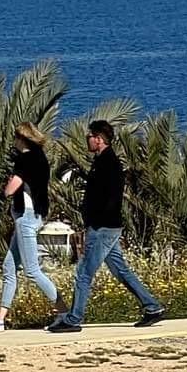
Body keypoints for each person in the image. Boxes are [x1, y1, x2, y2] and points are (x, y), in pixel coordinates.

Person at [48, 120, 165, 333]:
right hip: (104, 225)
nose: (87, 140)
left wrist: (96, 220)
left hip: (103, 227)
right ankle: (152, 307)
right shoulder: (101, 161)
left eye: (89, 137)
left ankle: (74, 319)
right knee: (121, 270)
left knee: (84, 272)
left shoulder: (109, 163)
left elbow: (112, 197)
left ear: (99, 139)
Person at [0, 123, 65, 332]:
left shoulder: (25, 159)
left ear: (21, 138)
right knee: (9, 267)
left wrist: (6, 187)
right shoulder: (41, 157)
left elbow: (11, 188)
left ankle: (64, 312)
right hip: (32, 216)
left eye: (15, 137)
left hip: (25, 218)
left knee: (32, 271)